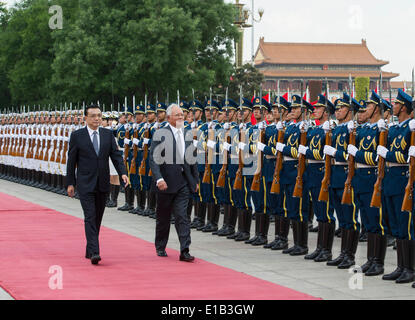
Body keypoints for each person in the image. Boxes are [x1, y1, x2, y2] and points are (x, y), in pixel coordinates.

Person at [66, 104, 128, 265]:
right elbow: (71, 161)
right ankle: (95, 251)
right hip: (85, 183)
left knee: (98, 217)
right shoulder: (77, 136)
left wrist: (123, 173)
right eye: (93, 116)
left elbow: (116, 156)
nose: (97, 118)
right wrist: (70, 183)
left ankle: (89, 247)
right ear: (85, 118)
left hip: (102, 182)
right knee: (90, 216)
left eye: (99, 115)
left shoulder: (107, 135)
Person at [149, 103, 199, 262]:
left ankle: (185, 249)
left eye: (182, 115)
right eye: (177, 115)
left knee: (182, 216)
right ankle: (160, 245)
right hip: (166, 182)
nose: (181, 118)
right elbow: (154, 159)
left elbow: (192, 160)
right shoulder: (161, 134)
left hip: (184, 182)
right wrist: (159, 178)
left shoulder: (187, 133)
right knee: (163, 217)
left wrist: (195, 181)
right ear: (169, 117)